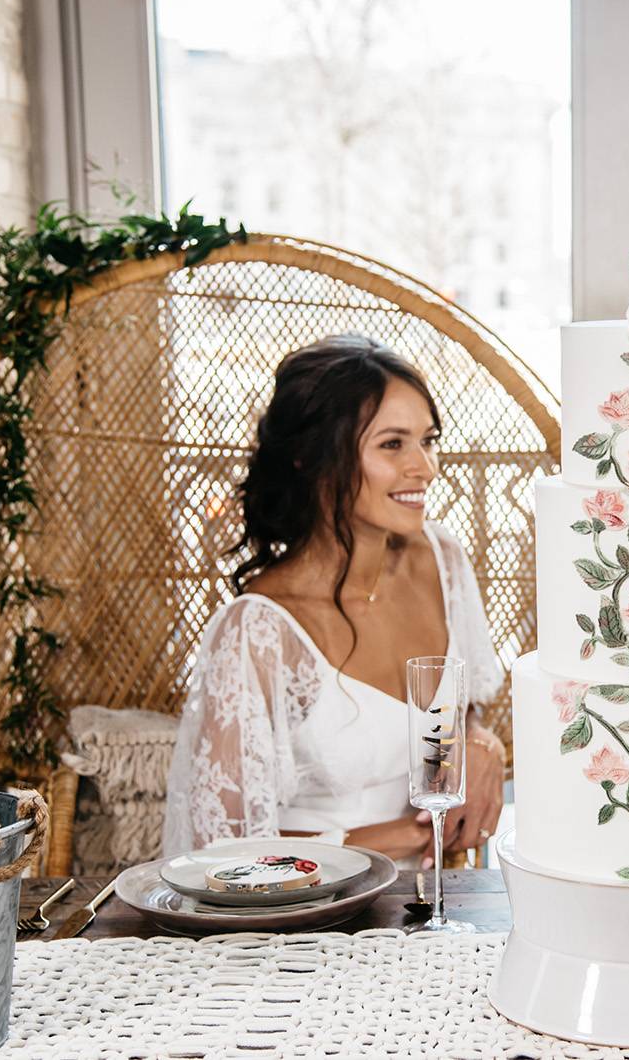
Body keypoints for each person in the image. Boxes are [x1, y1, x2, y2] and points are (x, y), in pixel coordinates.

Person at [163, 334, 507, 865]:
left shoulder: (441, 562)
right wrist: (405, 838)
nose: (425, 467)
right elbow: (223, 854)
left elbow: (457, 719)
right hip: (307, 922)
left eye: (427, 440)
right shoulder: (259, 633)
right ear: (312, 458)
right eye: (392, 445)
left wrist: (480, 743)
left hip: (430, 904)